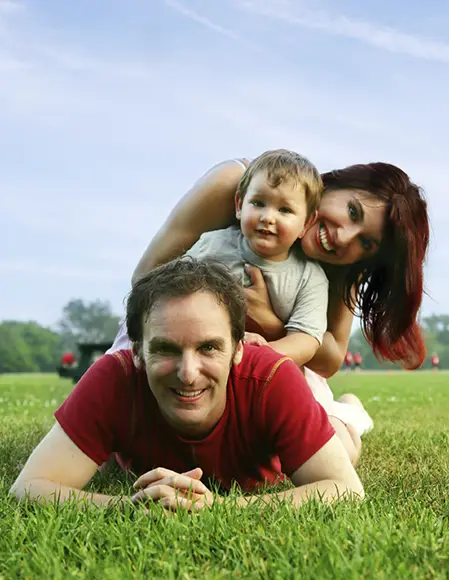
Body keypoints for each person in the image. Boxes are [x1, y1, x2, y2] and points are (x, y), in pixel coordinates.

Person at [128, 156, 430, 464]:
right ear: (332, 184)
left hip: (271, 358)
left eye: (366, 243)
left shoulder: (335, 270)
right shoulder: (238, 186)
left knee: (327, 452)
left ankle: (344, 413)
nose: (343, 237)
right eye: (352, 211)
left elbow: (328, 360)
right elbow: (145, 277)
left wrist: (267, 319)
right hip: (177, 333)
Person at [11, 258, 364, 511]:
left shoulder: (272, 376)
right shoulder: (112, 375)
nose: (188, 373)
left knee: (345, 445)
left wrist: (221, 508)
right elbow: (28, 488)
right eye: (166, 348)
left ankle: (350, 409)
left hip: (292, 430)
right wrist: (129, 506)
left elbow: (346, 489)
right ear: (137, 352)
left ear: (239, 349)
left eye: (209, 347)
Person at [111, 150, 328, 369]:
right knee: (119, 373)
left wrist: (259, 354)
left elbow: (306, 340)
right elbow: (170, 289)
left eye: (285, 210)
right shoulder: (213, 245)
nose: (267, 217)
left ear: (307, 223)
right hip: (195, 358)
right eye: (258, 203)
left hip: (260, 368)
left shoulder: (309, 276)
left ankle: (348, 404)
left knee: (307, 399)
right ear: (239, 206)